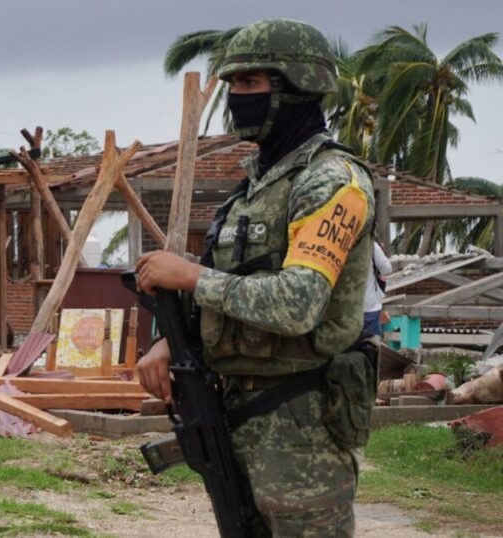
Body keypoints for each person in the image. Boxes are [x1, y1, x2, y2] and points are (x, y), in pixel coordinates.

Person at [135, 19, 375, 537]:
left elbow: (298, 303)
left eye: (250, 84)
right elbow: (231, 283)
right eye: (233, 86)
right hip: (237, 411)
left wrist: (190, 277)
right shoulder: (253, 189)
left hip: (304, 420)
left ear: (295, 88)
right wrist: (171, 343)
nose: (236, 98)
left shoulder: (333, 182)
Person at [364, 242, 391, 337]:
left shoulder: (336, 240)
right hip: (369, 307)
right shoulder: (371, 245)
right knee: (371, 346)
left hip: (345, 312)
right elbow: (387, 269)